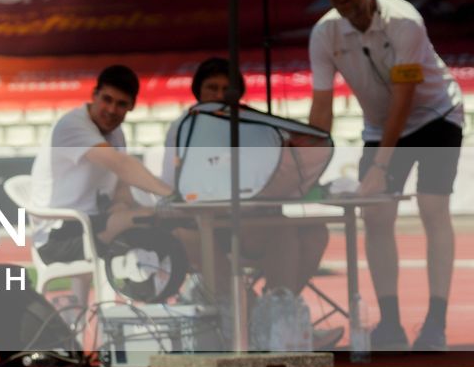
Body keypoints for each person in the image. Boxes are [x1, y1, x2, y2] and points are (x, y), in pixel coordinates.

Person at [308, 0, 464, 351]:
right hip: (379, 126)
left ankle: (435, 322)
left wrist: (380, 166)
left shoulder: (404, 21)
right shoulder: (324, 33)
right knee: (376, 217)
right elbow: (321, 106)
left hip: (435, 117)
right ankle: (390, 322)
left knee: (432, 208)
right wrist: (306, 167)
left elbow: (404, 97)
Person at [164, 56, 338, 344]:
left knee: (310, 232)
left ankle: (277, 317)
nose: (220, 95)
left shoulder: (256, 126)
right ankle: (256, 319)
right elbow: (173, 186)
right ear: (198, 91)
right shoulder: (183, 127)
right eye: (212, 88)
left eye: (226, 89)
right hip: (204, 225)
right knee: (199, 234)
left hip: (250, 222)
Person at [27, 65, 180, 293]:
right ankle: (152, 299)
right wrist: (172, 196)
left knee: (154, 222)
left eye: (121, 104)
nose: (111, 109)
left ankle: (161, 293)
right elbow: (121, 165)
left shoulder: (116, 133)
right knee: (150, 219)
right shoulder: (71, 125)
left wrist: (122, 205)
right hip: (58, 238)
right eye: (107, 99)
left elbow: (121, 184)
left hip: (91, 224)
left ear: (131, 107)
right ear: (94, 95)